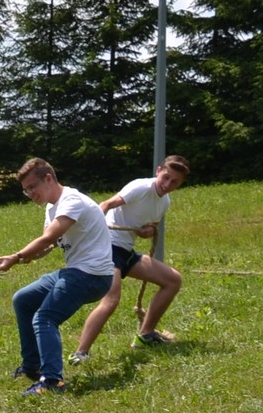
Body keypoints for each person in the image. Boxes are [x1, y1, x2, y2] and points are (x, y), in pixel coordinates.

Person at [0, 157, 116, 394]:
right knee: (23, 299)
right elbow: (49, 245)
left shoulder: (71, 201)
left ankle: (52, 381)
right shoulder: (52, 207)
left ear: (48, 178)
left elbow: (49, 238)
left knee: (45, 318)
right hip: (75, 271)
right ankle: (33, 366)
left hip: (93, 275)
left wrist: (16, 257)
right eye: (26, 190)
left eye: (32, 187)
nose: (30, 194)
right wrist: (29, 256)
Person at [69, 155, 190, 363]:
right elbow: (106, 204)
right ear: (158, 171)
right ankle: (80, 353)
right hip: (108, 247)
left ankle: (145, 335)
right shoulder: (140, 187)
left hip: (126, 252)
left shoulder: (165, 202)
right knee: (111, 300)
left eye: (174, 182)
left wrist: (148, 231)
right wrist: (94, 227)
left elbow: (148, 227)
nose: (167, 184)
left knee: (173, 280)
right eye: (166, 177)